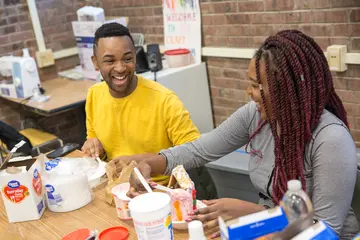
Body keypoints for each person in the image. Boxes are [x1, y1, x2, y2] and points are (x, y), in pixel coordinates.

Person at [129, 30, 359, 239]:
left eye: (256, 85)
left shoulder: (331, 140)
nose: (249, 92)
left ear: (286, 89)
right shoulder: (255, 115)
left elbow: (325, 228)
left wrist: (257, 213)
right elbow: (199, 150)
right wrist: (150, 163)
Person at [81, 22, 216, 198]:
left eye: (127, 58)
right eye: (110, 61)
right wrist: (94, 144)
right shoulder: (94, 95)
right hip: (118, 190)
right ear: (96, 63)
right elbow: (97, 145)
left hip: (162, 192)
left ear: (135, 58)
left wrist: (137, 160)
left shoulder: (164, 100)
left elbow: (196, 153)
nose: (120, 68)